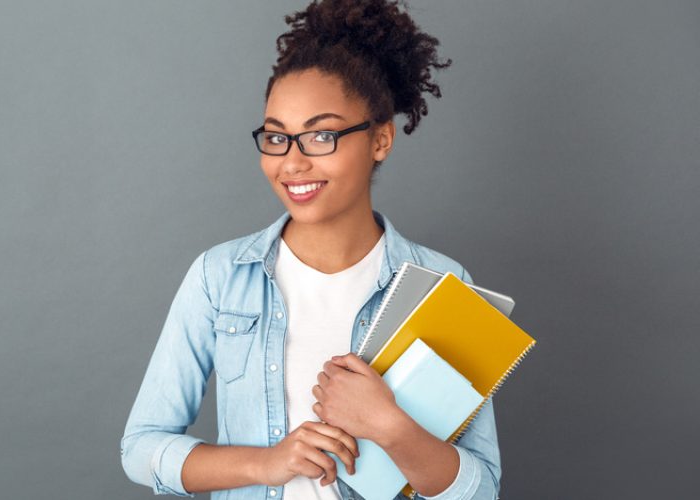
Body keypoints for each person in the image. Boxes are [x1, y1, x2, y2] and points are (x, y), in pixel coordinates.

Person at [120, 1, 501, 498]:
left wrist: (389, 425)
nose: (292, 163)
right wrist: (266, 463)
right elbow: (141, 448)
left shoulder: (442, 284)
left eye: (321, 135)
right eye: (277, 137)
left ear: (380, 138)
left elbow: (482, 489)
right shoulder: (220, 277)